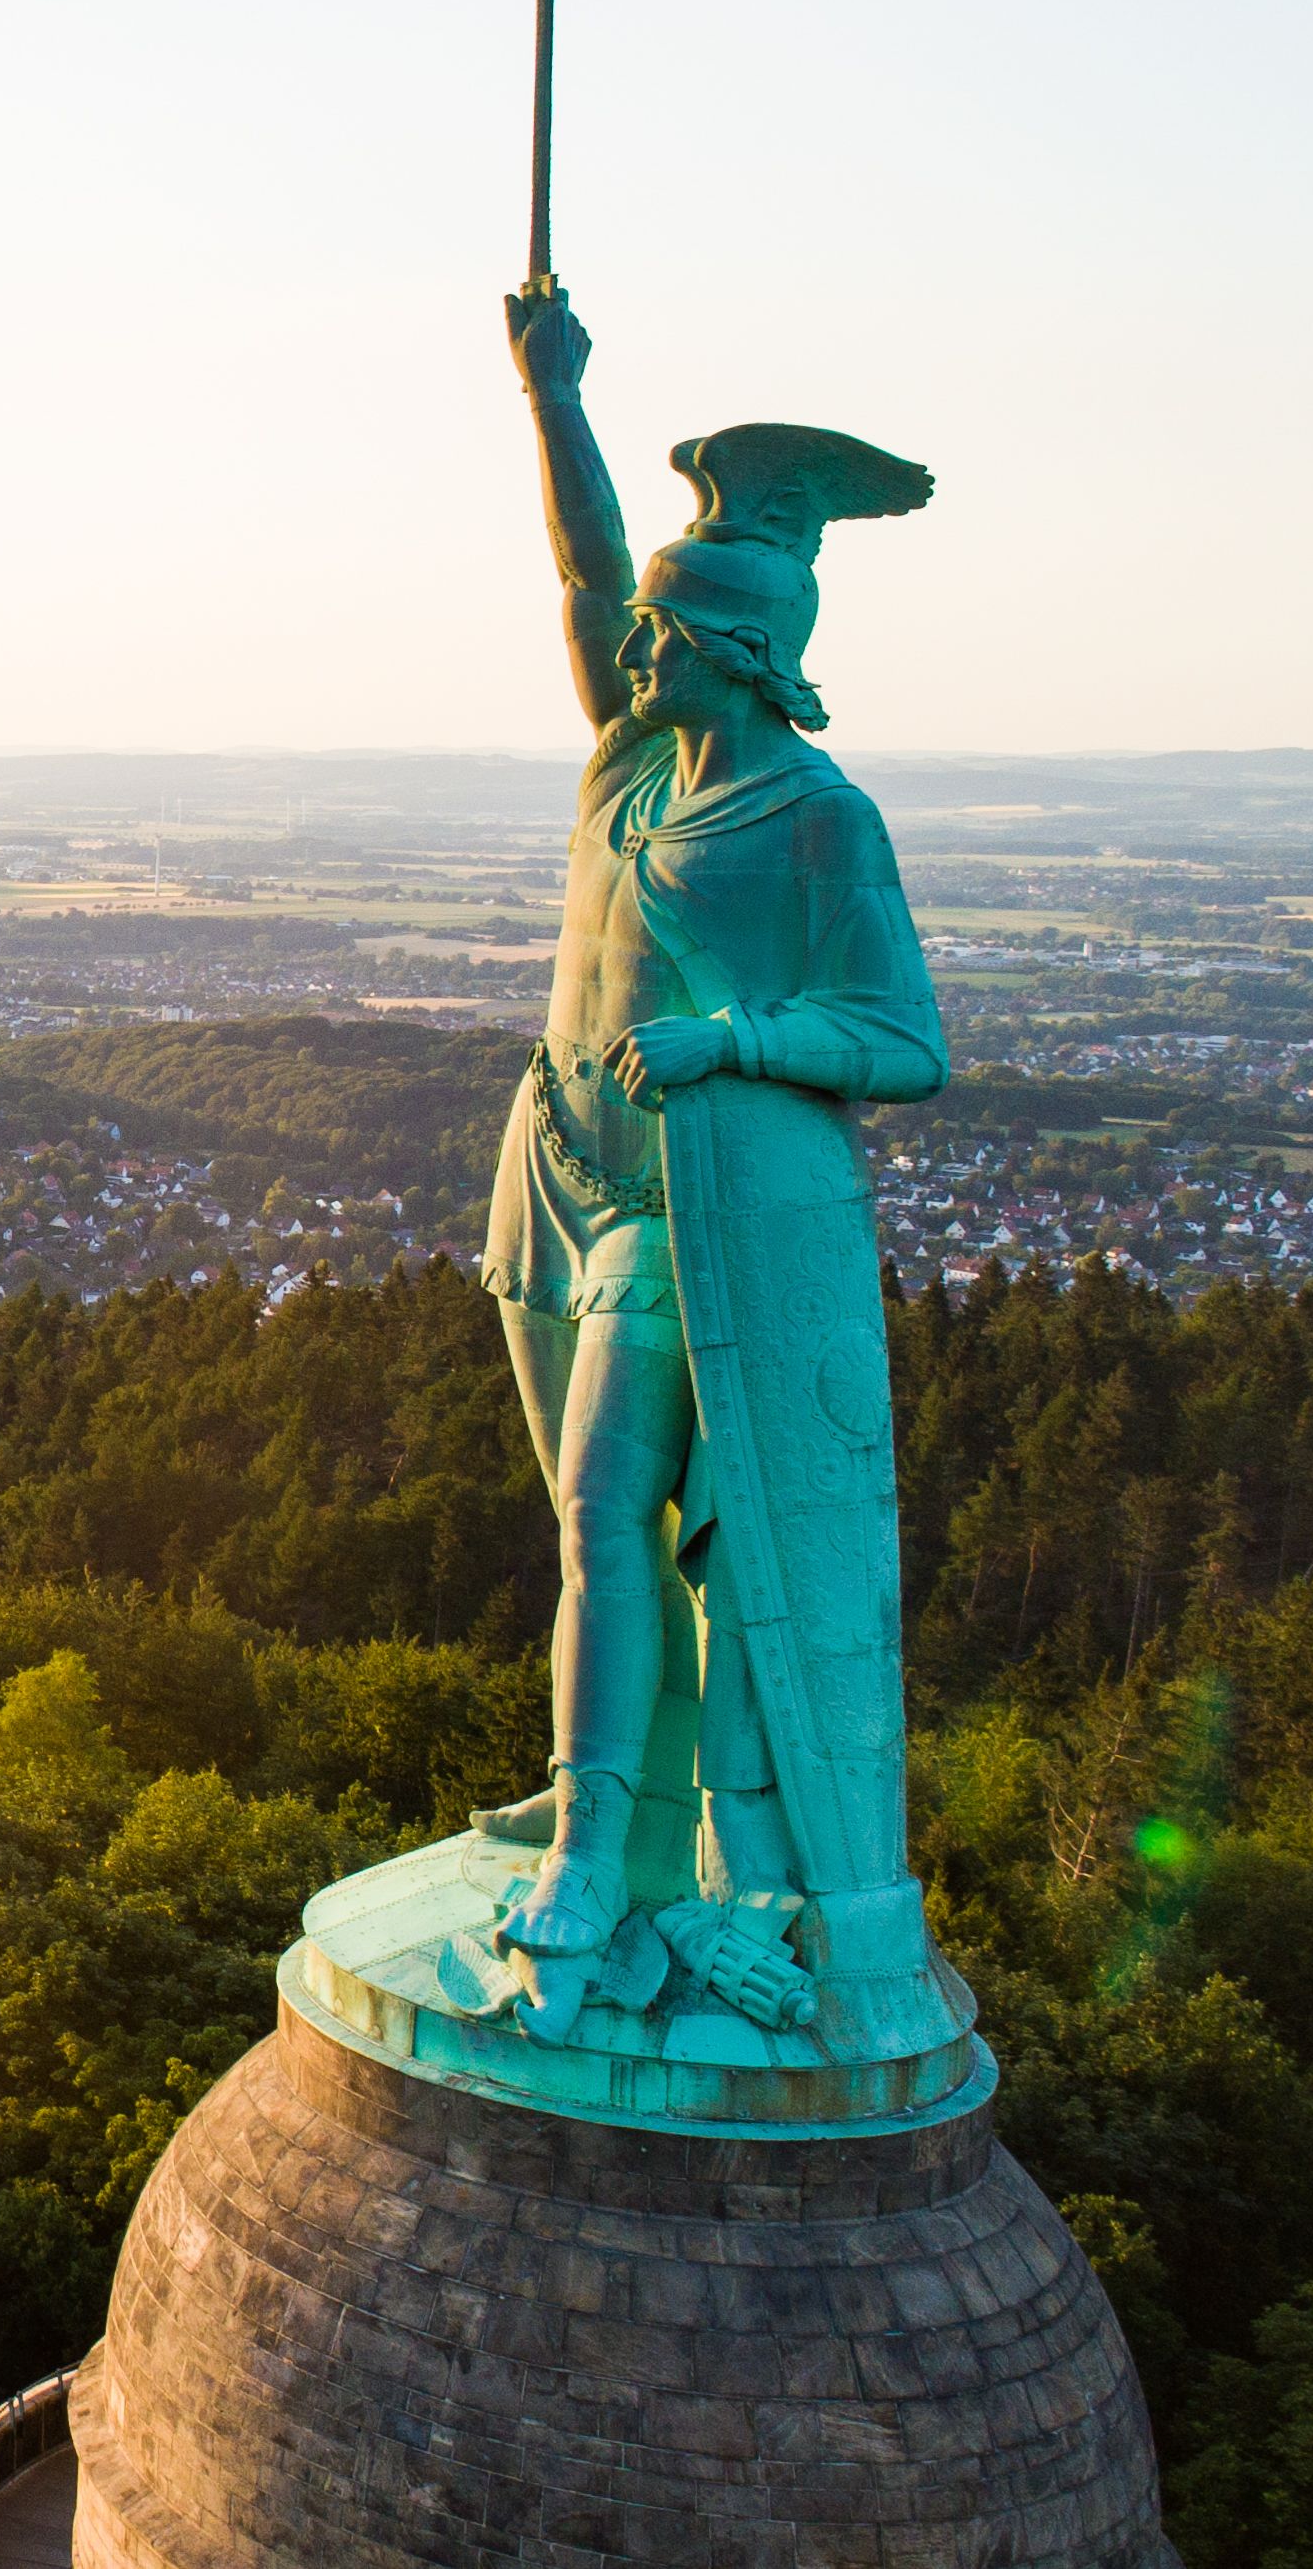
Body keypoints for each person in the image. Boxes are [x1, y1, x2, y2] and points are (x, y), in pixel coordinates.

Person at [479, 286, 946, 1992]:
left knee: (614, 1512)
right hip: (561, 1177)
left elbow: (907, 1038)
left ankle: (602, 1859)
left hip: (689, 1212)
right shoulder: (634, 760)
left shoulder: (819, 818)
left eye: (671, 634)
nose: (635, 648)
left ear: (743, 654)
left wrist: (737, 1038)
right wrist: (558, 398)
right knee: (583, 1520)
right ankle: (618, 1792)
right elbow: (589, 574)